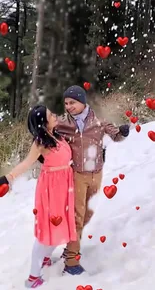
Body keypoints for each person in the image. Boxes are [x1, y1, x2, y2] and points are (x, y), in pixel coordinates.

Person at [55, 85, 130, 275]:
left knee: (87, 215)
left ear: (82, 102)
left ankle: (69, 248)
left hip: (97, 174)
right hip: (77, 175)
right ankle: (71, 261)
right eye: (66, 103)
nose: (68, 106)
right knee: (77, 217)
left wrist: (122, 132)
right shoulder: (62, 123)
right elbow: (47, 137)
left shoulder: (99, 121)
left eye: (72, 102)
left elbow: (116, 136)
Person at [0, 105, 77, 288]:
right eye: (51, 115)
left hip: (65, 185)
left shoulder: (57, 135)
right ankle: (33, 277)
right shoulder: (40, 143)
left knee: (60, 224)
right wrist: (8, 178)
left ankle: (45, 258)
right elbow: (26, 163)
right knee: (47, 231)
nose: (55, 115)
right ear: (43, 122)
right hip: (51, 189)